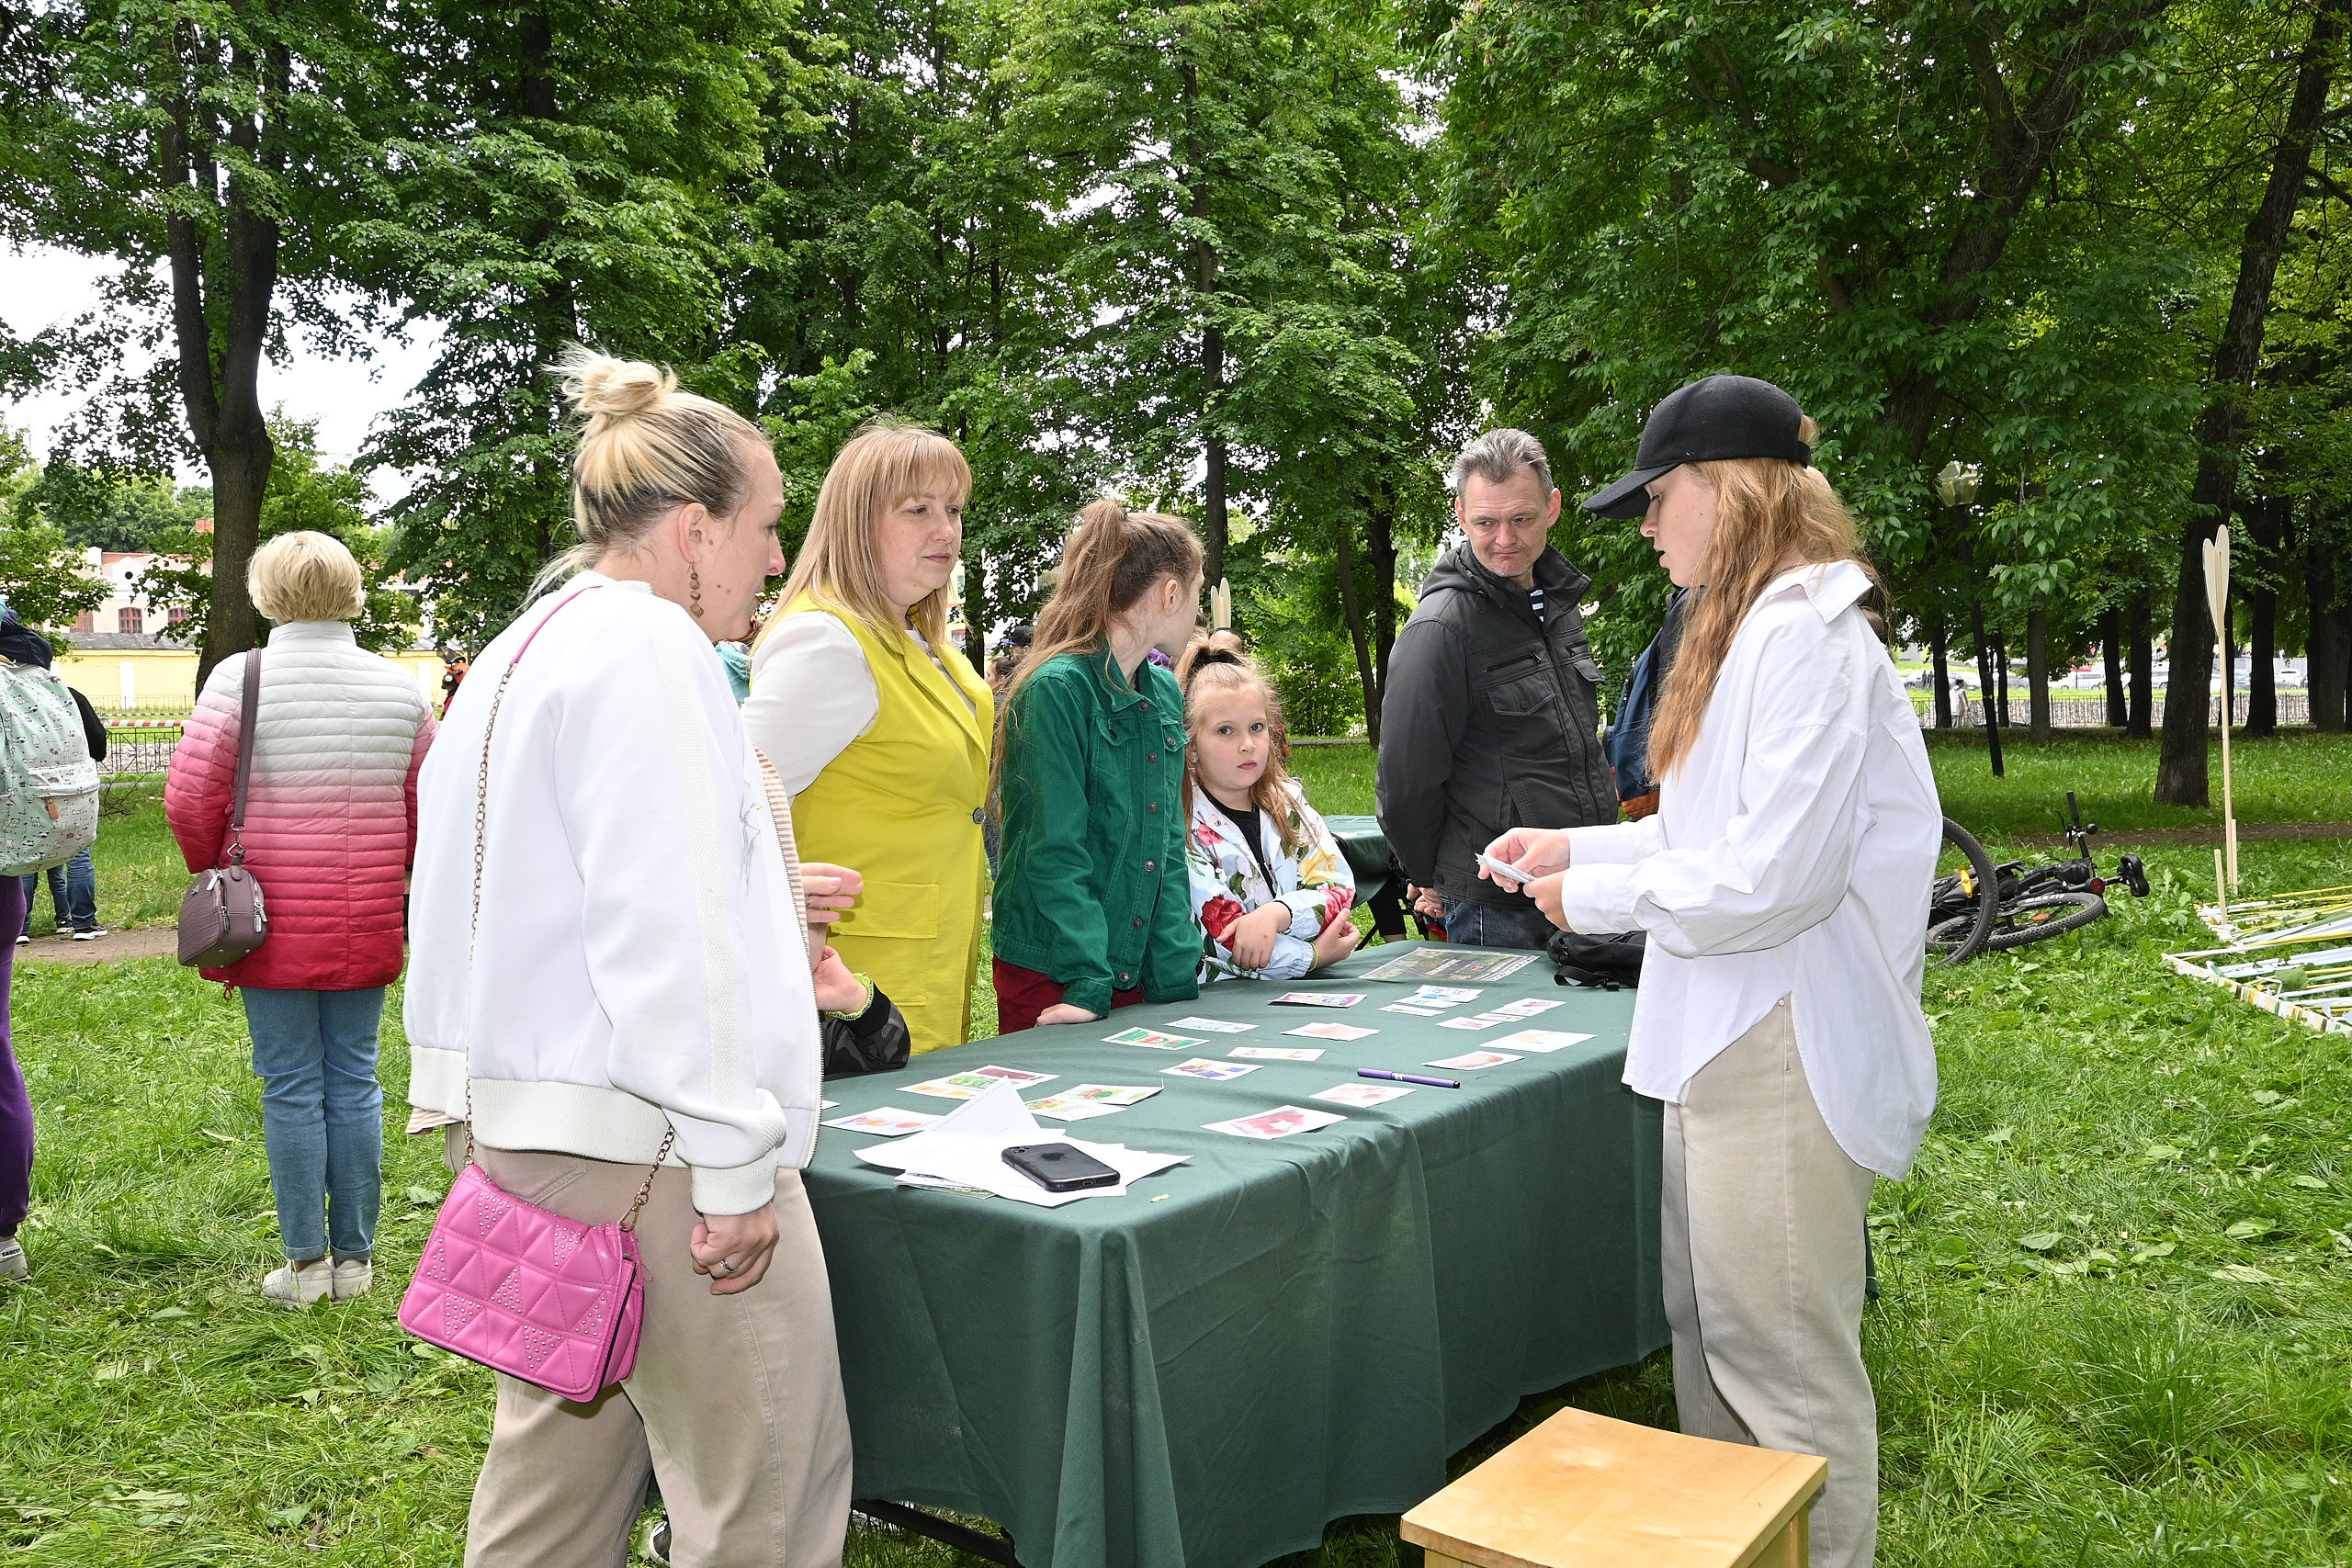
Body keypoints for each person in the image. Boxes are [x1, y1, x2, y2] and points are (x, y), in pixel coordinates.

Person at [404, 352, 851, 1566]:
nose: (774, 562)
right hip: (647, 1141)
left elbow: (509, 891)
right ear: (694, 529)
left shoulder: (519, 645)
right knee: (768, 1486)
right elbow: (666, 930)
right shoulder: (656, 650)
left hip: (529, 1128)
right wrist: (732, 1164)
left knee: (554, 1480)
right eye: (765, 529)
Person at [1484, 375, 1939, 1568]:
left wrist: (1593, 893)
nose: (1645, 523)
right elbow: (1711, 839)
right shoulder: (1747, 631)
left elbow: (1773, 878)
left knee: (1781, 1364)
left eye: (1659, 495)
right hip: (1723, 1029)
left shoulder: (1809, 634)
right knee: (1711, 1333)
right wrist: (1576, 846)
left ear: (1732, 492)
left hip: (1783, 1035)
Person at [164, 532, 437, 1306]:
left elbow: (189, 799)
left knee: (289, 1085)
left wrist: (215, 865)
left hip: (265, 915)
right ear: (354, 591)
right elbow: (432, 806)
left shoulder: (237, 678)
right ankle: (356, 1259)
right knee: (354, 1080)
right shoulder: (399, 687)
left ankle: (305, 1263)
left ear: (266, 595)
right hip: (368, 916)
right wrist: (394, 864)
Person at [745, 422, 993, 1055]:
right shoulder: (827, 641)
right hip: (852, 990)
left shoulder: (921, 639)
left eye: (954, 509)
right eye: (918, 509)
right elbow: (731, 800)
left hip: (922, 974)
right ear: (857, 522)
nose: (946, 529)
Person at [1376, 428, 1615, 950]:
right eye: (1487, 522)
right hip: (1498, 909)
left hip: (1583, 883)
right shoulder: (1438, 631)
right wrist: (1431, 876)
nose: (1505, 540)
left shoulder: (1558, 606)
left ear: (1552, 507)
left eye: (1521, 519)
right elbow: (1405, 784)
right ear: (1461, 515)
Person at [991, 500, 1203, 1034]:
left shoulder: (1162, 691)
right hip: (1054, 970)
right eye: (1197, 592)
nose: (1199, 614)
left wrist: (1178, 980)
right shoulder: (1055, 691)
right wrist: (1089, 981)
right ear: (1170, 593)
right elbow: (1054, 851)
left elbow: (1166, 847)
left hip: (1137, 971)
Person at [1178, 641, 1360, 982]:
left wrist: (1280, 914)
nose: (1247, 743)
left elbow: (1337, 886)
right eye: (1225, 730)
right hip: (1217, 1004)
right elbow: (1223, 940)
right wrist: (1314, 955)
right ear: (1191, 748)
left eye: (1257, 727)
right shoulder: (1181, 824)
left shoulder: (1288, 803)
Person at [5, 612, 107, 943]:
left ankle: (21, 926)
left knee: (22, 862)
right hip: (69, 791)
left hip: (25, 796)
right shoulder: (65, 693)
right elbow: (98, 743)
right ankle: (81, 922)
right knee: (75, 859)